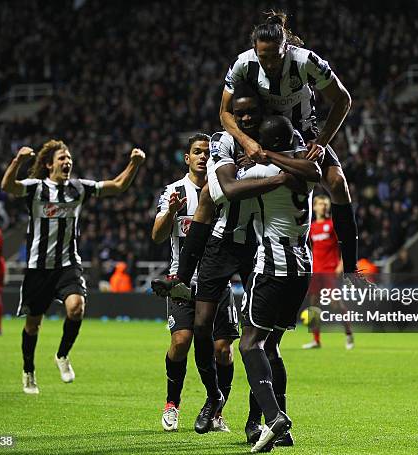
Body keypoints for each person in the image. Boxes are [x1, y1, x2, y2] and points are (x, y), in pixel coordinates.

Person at [152, 83, 306, 439]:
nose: (247, 118)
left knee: (263, 342)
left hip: (258, 245)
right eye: (240, 113)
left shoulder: (278, 137)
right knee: (201, 327)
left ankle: (258, 420)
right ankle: (213, 397)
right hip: (221, 242)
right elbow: (222, 187)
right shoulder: (222, 142)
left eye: (252, 112)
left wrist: (271, 160)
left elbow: (305, 171)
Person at [220, 11, 360, 276]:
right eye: (264, 57)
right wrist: (247, 142)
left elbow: (343, 99)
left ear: (287, 48)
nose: (270, 63)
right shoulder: (242, 63)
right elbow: (224, 112)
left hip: (304, 134)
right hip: (260, 136)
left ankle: (351, 267)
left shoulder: (306, 61)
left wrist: (321, 142)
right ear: (254, 50)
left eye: (276, 56)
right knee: (222, 191)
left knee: (338, 184)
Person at [1, 139, 145, 394]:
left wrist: (133, 163)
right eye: (61, 159)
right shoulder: (35, 189)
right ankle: (28, 370)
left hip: (68, 264)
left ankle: (62, 355)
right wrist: (18, 161)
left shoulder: (78, 188)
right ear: (48, 164)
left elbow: (118, 186)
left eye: (69, 158)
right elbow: (7, 186)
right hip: (39, 268)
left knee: (76, 307)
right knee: (33, 324)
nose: (67, 162)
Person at [238, 115, 320, 453]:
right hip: (302, 268)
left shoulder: (262, 172)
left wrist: (252, 158)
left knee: (248, 344)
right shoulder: (304, 168)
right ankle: (279, 427)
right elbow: (310, 171)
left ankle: (273, 418)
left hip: (273, 267)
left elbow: (228, 188)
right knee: (271, 347)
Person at [151, 133, 239, 433]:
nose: (202, 157)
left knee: (223, 350)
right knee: (180, 341)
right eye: (197, 152)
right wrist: (172, 212)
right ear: (187, 158)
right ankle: (172, 404)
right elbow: (157, 235)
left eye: (207, 152)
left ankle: (216, 409)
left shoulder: (225, 187)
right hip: (184, 283)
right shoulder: (175, 191)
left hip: (218, 283)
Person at [303, 195, 354, 350]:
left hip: (330, 271)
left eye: (325, 204)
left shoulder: (332, 225)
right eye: (320, 204)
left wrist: (342, 264)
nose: (323, 206)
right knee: (313, 305)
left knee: (335, 303)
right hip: (316, 271)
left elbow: (346, 244)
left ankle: (348, 333)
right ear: (314, 207)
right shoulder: (310, 228)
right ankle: (316, 339)